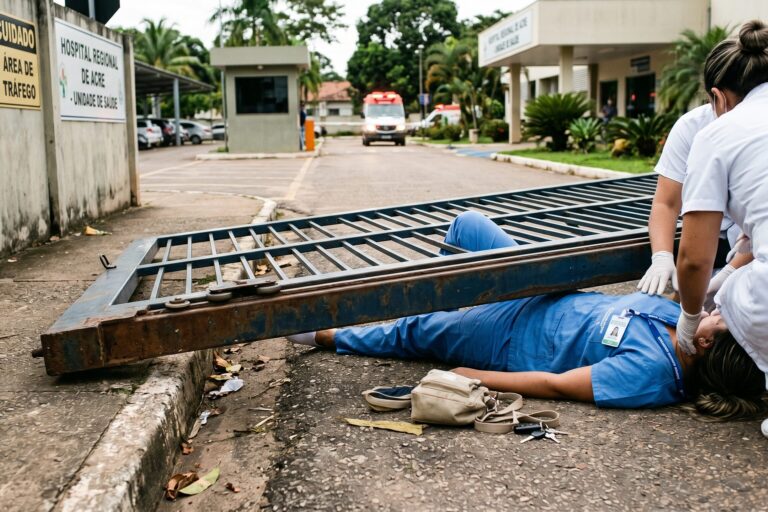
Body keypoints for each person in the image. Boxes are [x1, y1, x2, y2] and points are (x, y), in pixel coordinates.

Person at [289, 211, 766, 419]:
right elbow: (728, 268)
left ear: (707, 345)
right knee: (467, 228)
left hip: (506, 338)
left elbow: (556, 385)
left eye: (721, 321)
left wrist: (472, 375)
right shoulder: (685, 323)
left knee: (416, 332)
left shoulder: (650, 377)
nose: (716, 312)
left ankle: (329, 335)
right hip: (540, 294)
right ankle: (453, 306)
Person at [675, 21, 768, 391]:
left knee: (733, 294)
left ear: (719, 97)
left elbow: (695, 257)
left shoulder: (717, 133)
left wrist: (689, 317)